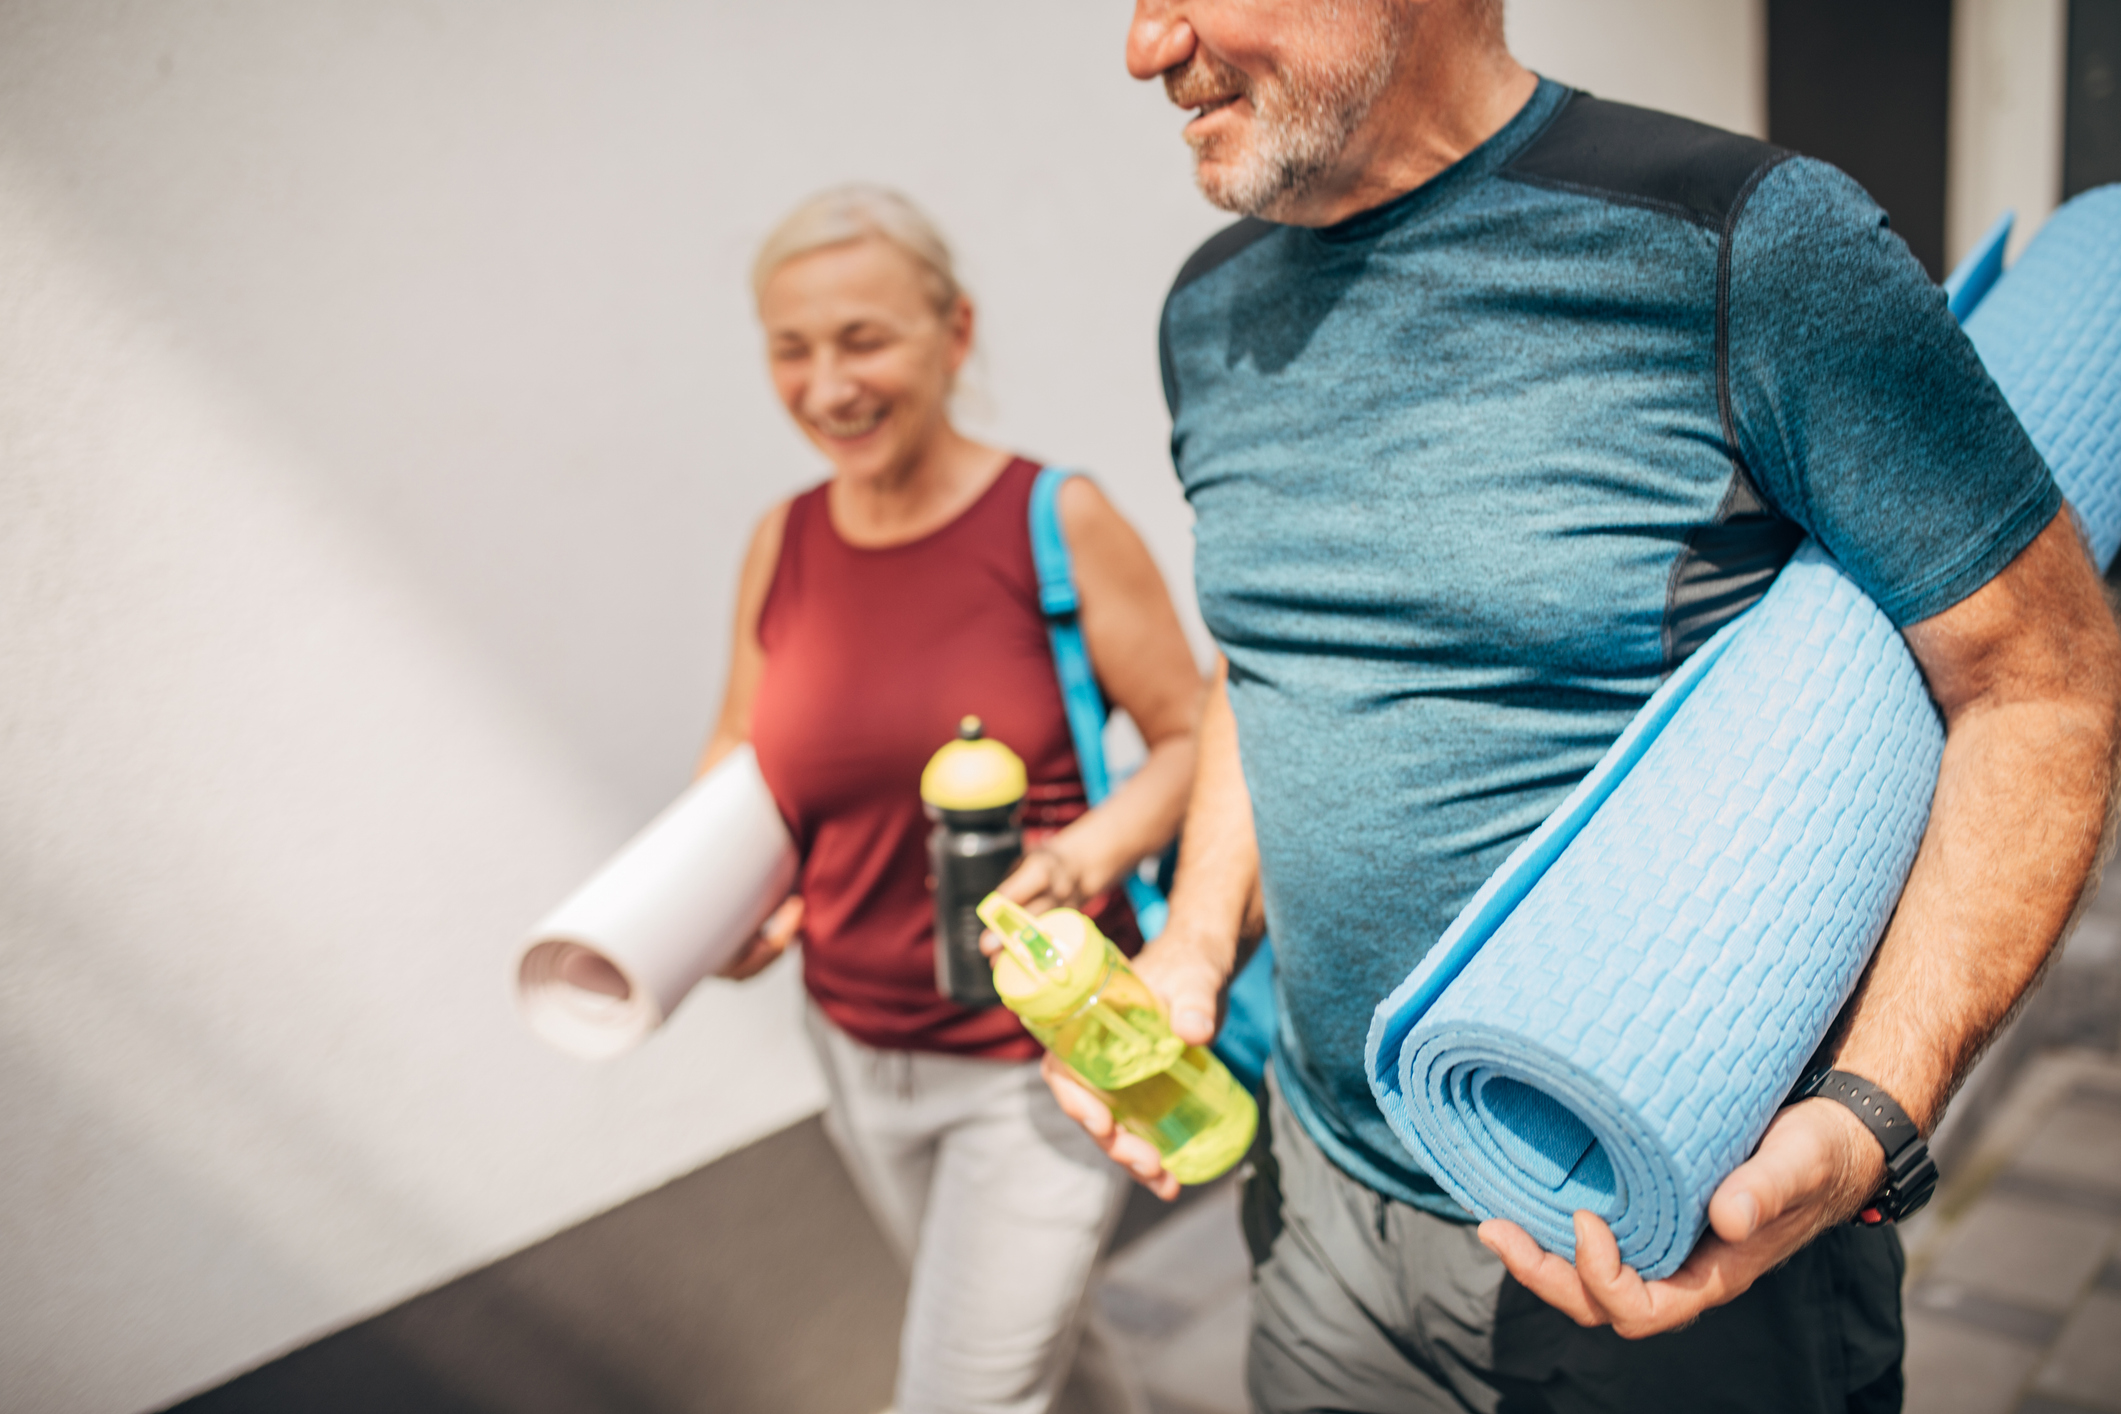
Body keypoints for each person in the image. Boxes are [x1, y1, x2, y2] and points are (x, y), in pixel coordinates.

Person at [1033, 2, 2121, 1411]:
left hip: (1665, 1232)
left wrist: (1868, 1118)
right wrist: (1191, 942)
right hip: (1321, 1220)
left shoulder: (1745, 246)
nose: (1143, 43)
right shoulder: (1211, 310)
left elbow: (2039, 686)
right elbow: (1267, 660)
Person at [700, 185, 1203, 1414]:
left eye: (863, 338)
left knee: (960, 1394)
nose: (827, 385)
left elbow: (1196, 735)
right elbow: (738, 754)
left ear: (954, 331)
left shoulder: (1051, 519)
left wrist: (1087, 853)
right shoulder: (785, 540)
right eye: (792, 348)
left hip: (1038, 1054)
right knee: (1032, 1347)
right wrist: (699, 908)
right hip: (856, 1049)